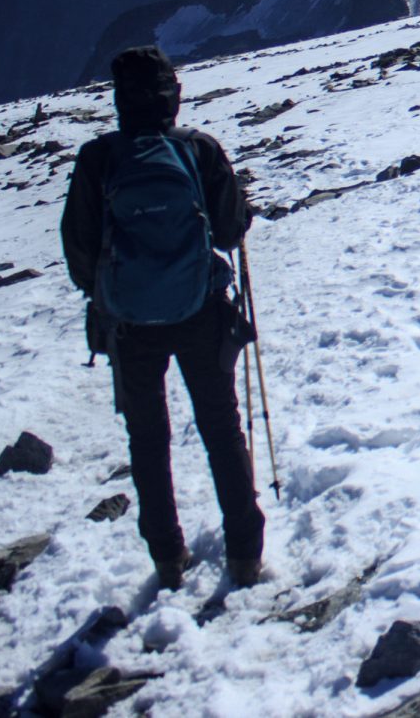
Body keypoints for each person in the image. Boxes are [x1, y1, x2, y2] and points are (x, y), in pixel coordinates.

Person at [61, 46, 265, 589]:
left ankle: (168, 557)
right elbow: (227, 231)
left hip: (129, 325)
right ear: (171, 95)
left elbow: (78, 247)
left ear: (119, 99)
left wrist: (108, 295)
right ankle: (245, 554)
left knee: (148, 439)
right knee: (221, 427)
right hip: (201, 312)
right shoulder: (198, 150)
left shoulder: (98, 159)